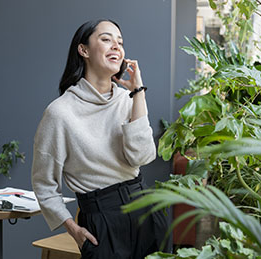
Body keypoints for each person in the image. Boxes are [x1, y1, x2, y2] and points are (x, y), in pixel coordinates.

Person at [31, 19, 171, 259]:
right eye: (106, 39)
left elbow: (143, 156)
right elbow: (44, 183)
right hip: (101, 221)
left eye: (120, 42)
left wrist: (138, 93)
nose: (116, 46)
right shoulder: (60, 113)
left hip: (146, 211)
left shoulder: (129, 100)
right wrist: (72, 229)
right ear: (83, 50)